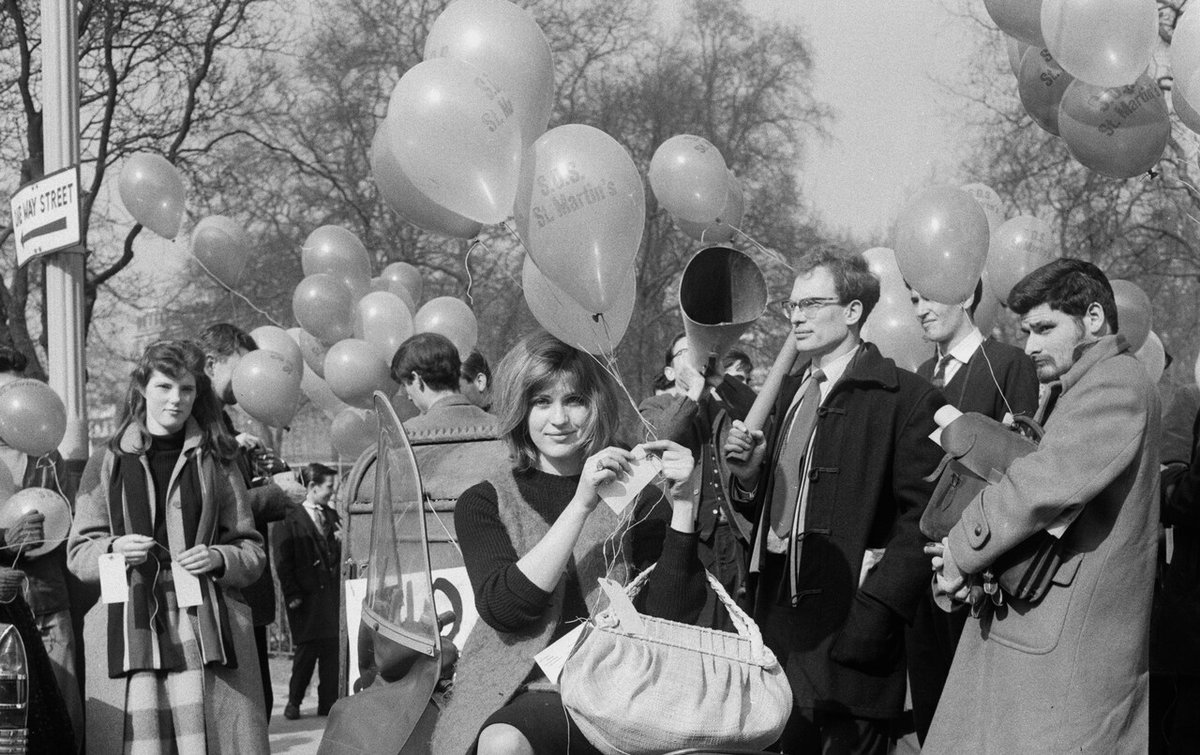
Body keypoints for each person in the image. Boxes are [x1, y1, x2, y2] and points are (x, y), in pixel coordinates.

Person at [924, 258, 1161, 752]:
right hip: (1040, 644)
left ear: (1093, 318)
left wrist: (962, 550)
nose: (1030, 345)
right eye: (1026, 330)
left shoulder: (1118, 379)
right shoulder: (1073, 385)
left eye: (1044, 328)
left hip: (1064, 661)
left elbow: (1041, 485)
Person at [432, 331, 707, 755]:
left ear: (595, 406)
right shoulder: (484, 501)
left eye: (574, 400)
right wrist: (581, 504)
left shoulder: (639, 495)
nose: (558, 419)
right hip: (522, 690)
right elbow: (506, 610)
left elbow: (672, 617)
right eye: (542, 402)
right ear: (520, 410)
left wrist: (685, 505)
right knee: (503, 745)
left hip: (623, 688)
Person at [723, 248, 945, 753]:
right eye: (792, 306)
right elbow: (770, 513)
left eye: (812, 304)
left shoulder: (907, 398)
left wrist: (876, 612)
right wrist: (751, 475)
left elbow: (925, 520)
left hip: (852, 641)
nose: (797, 316)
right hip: (781, 633)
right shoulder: (789, 394)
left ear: (853, 313)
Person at [67, 340, 268, 753]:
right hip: (129, 628)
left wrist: (218, 557)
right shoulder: (106, 461)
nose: (176, 400)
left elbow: (251, 550)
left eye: (187, 389)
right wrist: (114, 549)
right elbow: (78, 553)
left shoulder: (219, 459)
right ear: (142, 388)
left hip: (206, 628)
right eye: (164, 387)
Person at [904, 281, 1039, 744]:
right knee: (928, 716)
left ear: (964, 295)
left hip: (974, 576)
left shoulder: (1008, 365)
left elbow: (1020, 463)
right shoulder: (920, 372)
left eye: (928, 295)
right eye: (913, 299)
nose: (919, 310)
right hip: (917, 572)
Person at [199, 322, 303, 720]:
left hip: (244, 585)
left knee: (256, 708)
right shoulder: (199, 425)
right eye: (241, 367)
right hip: (225, 589)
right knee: (243, 712)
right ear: (212, 364)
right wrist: (276, 495)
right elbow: (218, 508)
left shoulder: (223, 424)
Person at [640, 332, 757, 626]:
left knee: (740, 623)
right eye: (684, 354)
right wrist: (692, 392)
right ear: (669, 372)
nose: (694, 359)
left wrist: (719, 380)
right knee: (698, 622)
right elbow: (658, 438)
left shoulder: (725, 404)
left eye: (699, 352)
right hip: (690, 535)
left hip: (734, 535)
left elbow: (764, 412)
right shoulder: (653, 407)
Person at [0, 345, 84, 744]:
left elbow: (77, 522)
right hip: (2, 611)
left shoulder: (48, 455)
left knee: (62, 720)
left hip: (49, 605)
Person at [274, 463, 341, 720]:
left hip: (330, 598)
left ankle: (328, 704)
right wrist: (292, 594)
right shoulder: (289, 518)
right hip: (305, 599)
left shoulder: (332, 516)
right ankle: (294, 702)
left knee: (330, 652)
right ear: (312, 487)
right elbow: (282, 561)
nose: (332, 493)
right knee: (306, 651)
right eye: (328, 487)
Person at [392, 333, 497, 435]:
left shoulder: (403, 436)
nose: (409, 397)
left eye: (406, 386)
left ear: (417, 380)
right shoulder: (502, 429)